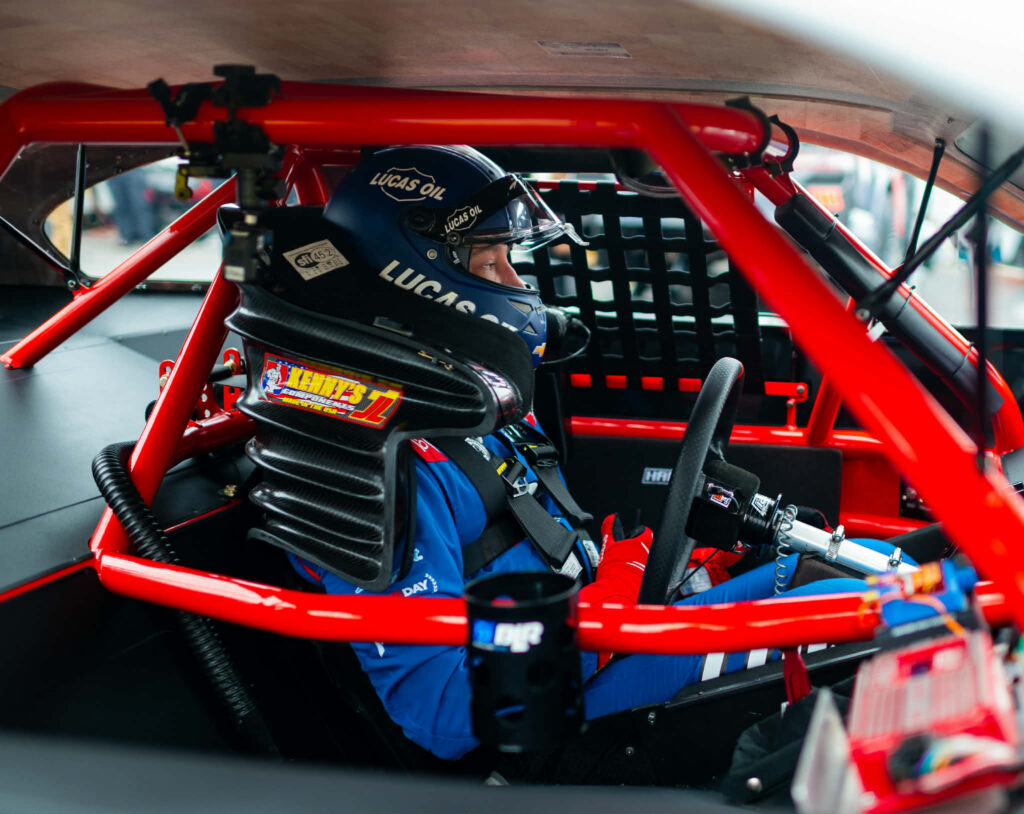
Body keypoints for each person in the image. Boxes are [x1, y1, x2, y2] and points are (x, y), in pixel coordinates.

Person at [288, 145, 917, 760]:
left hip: (592, 642)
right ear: (415, 276)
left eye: (511, 260)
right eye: (490, 263)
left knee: (868, 572)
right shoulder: (371, 459)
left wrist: (652, 571)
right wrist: (613, 598)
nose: (516, 284)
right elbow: (448, 712)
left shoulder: (476, 398)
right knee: (856, 610)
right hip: (544, 729)